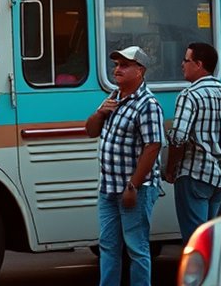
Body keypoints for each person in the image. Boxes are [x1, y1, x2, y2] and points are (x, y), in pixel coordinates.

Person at [84, 46, 163, 286]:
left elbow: (153, 146)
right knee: (108, 246)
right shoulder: (113, 98)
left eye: (125, 65)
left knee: (136, 247)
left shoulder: (148, 104)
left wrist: (133, 186)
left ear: (140, 70)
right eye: (117, 65)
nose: (117, 69)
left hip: (134, 189)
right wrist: (100, 113)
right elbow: (90, 131)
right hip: (109, 187)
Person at [164, 42, 221, 243]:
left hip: (193, 175)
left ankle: (200, 266)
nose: (182, 64)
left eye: (186, 60)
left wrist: (170, 169)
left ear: (198, 64)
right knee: (210, 239)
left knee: (195, 241)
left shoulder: (189, 95)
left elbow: (178, 138)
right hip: (219, 178)